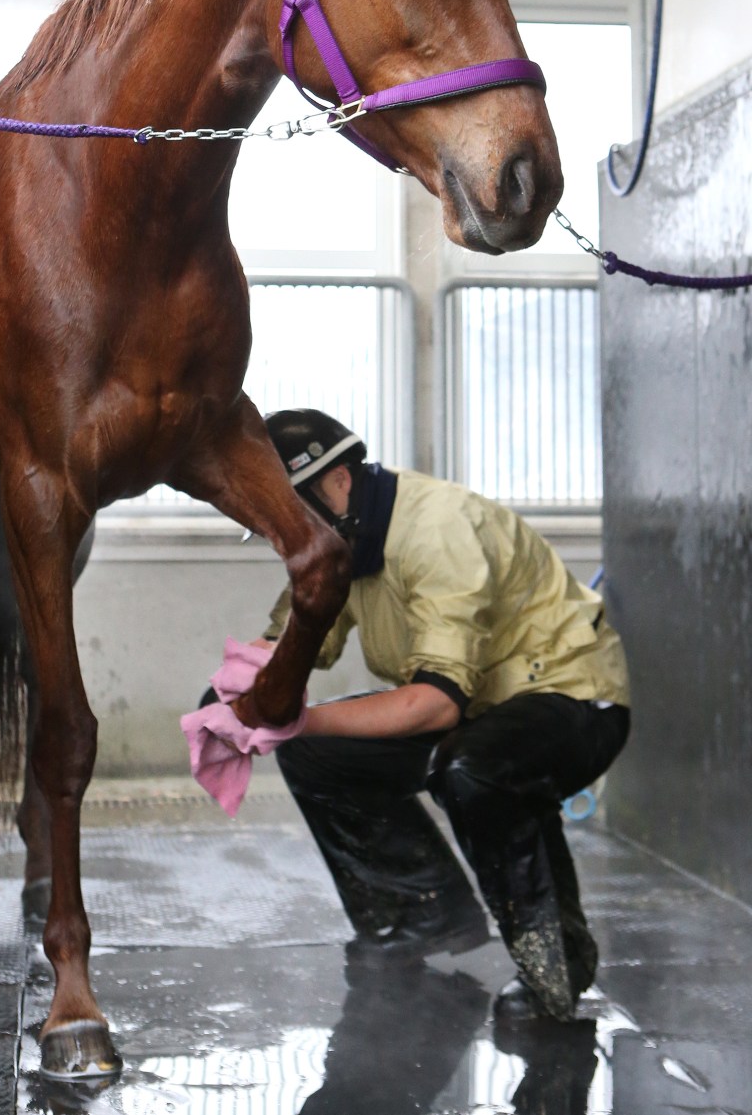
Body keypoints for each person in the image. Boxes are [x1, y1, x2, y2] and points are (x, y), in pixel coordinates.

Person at [254, 408, 630, 1023]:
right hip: (483, 711)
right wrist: (240, 691)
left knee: (474, 770)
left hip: (572, 698)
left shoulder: (435, 528)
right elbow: (294, 643)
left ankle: (552, 971)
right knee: (313, 755)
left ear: (340, 481)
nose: (287, 533)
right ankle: (417, 915)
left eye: (294, 511)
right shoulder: (341, 542)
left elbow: (436, 703)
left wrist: (291, 717)